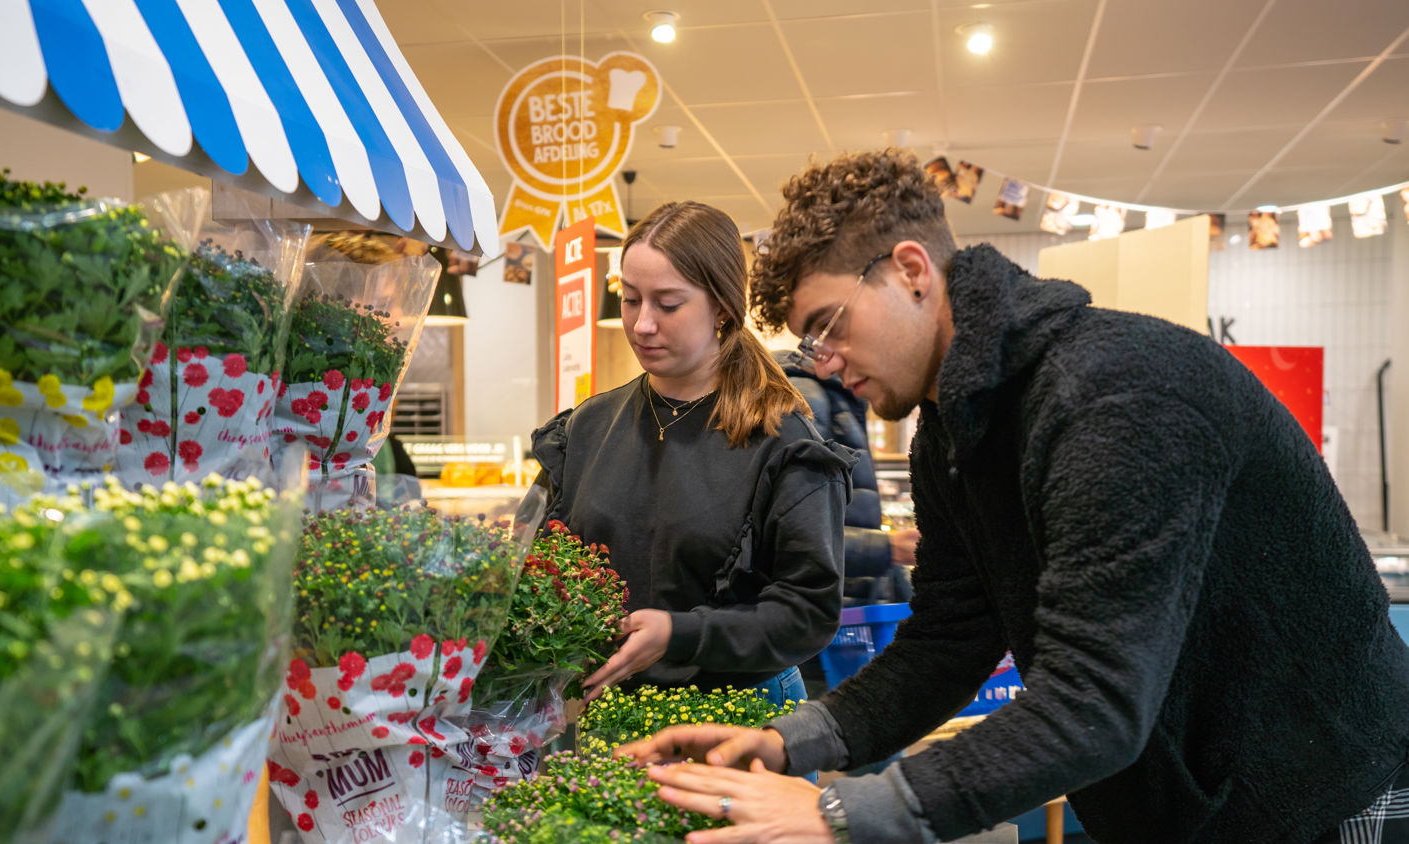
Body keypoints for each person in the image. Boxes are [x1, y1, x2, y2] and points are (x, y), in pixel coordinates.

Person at [617, 149, 1409, 844]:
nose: (822, 362)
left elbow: (1093, 700)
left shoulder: (1116, 394)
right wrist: (793, 743)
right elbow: (949, 643)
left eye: (829, 325)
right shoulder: (952, 433)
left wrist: (838, 815)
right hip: (1183, 807)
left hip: (1329, 793)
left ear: (911, 271)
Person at [531, 200, 853, 708]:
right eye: (631, 299)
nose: (641, 324)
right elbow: (541, 565)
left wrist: (679, 634)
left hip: (743, 720)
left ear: (722, 306)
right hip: (604, 713)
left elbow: (807, 615)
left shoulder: (784, 442)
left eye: (668, 303)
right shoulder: (588, 427)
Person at [773, 349, 917, 608]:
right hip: (823, 621)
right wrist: (889, 549)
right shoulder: (805, 399)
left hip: (847, 611)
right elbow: (790, 534)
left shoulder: (842, 399)